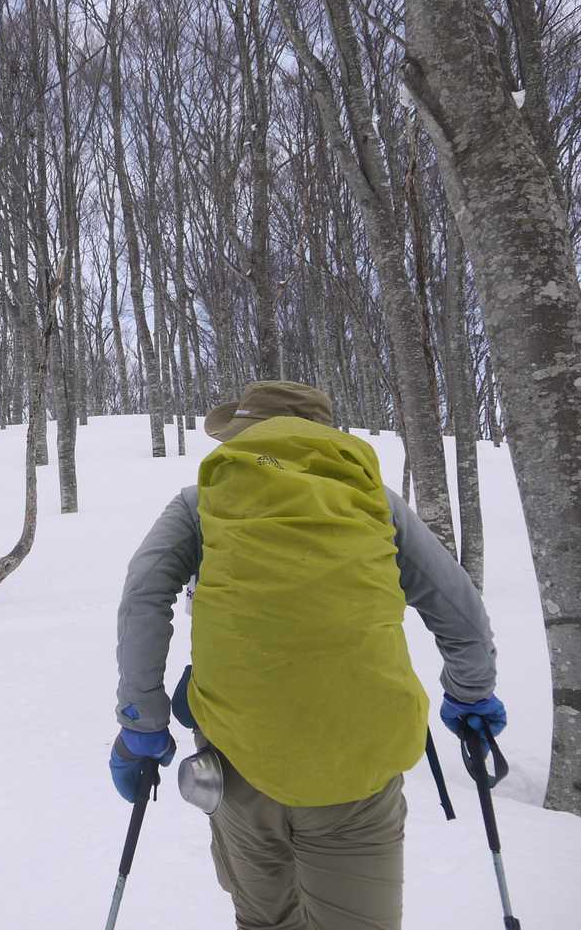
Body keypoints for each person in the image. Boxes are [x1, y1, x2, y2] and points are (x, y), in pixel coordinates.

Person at [110, 381, 505, 930]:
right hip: (359, 766)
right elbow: (457, 606)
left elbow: (143, 596)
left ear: (242, 434)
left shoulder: (200, 503)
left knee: (266, 921)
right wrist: (471, 693)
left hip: (235, 762)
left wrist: (142, 720)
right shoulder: (372, 500)